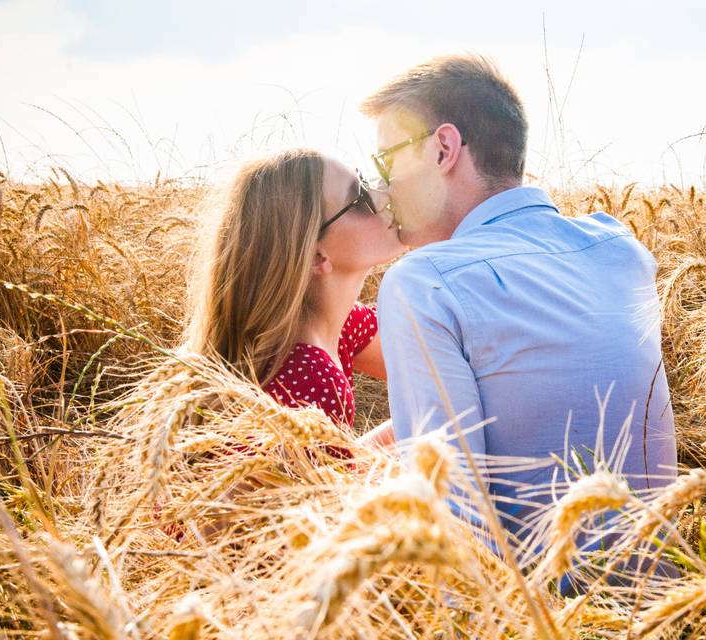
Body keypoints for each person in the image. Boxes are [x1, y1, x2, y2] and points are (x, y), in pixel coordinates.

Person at [360, 55, 678, 545]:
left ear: (443, 148)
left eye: (388, 160)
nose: (383, 187)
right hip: (664, 601)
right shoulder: (621, 251)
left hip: (536, 613)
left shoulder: (425, 283)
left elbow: (452, 521)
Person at [184, 149, 403, 430]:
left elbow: (441, 373)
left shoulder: (341, 326)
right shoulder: (312, 382)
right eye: (360, 198)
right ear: (314, 256)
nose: (384, 197)